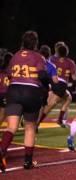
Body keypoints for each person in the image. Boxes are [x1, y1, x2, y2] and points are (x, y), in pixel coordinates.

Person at [0, 31, 47, 172]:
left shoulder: (14, 56)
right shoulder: (38, 57)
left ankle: (2, 150)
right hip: (31, 92)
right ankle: (27, 162)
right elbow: (42, 75)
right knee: (30, 127)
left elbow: (9, 73)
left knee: (11, 127)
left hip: (14, 91)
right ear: (35, 43)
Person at [38, 43, 76, 127]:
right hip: (59, 85)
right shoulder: (70, 62)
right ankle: (37, 123)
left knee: (68, 98)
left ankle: (60, 120)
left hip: (51, 83)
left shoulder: (52, 59)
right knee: (49, 106)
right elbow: (74, 77)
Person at [36, 45, 59, 132]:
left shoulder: (34, 61)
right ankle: (36, 124)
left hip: (32, 86)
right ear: (49, 55)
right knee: (41, 107)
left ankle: (25, 118)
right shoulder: (51, 66)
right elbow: (55, 81)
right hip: (43, 88)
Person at [0, 52, 12, 129]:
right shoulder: (11, 70)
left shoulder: (1, 68)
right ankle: (10, 129)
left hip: (0, 92)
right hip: (5, 93)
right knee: (5, 113)